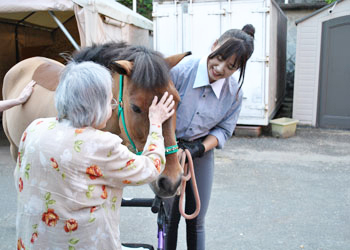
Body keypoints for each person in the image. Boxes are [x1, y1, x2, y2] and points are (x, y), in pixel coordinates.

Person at [14, 61, 175, 250]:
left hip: (34, 243)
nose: (113, 107)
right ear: (96, 105)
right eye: (110, 102)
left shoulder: (35, 128)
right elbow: (150, 168)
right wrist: (155, 123)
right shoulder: (101, 144)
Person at [165, 24, 255, 250]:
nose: (220, 68)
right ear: (214, 45)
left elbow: (224, 130)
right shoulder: (181, 71)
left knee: (196, 219)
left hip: (200, 153)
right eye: (220, 57)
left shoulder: (234, 93)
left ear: (238, 69)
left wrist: (199, 149)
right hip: (169, 149)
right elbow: (161, 110)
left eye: (231, 66)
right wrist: (170, 147)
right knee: (170, 217)